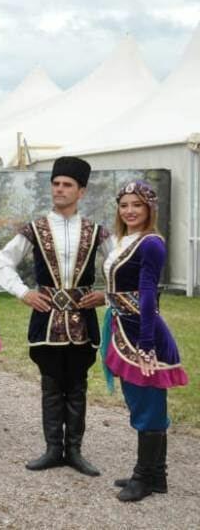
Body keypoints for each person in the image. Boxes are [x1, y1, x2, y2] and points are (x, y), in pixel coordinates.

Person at [0, 156, 115, 476]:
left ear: (81, 192)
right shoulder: (34, 229)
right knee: (50, 384)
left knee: (77, 384)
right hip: (45, 320)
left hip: (82, 322)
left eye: (67, 185)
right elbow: (3, 262)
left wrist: (107, 294)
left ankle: (74, 450)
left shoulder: (96, 232)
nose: (60, 189)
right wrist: (24, 292)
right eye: (56, 184)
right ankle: (52, 449)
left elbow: (122, 267)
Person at [99, 180, 188, 501]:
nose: (130, 210)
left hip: (142, 332)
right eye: (124, 205)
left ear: (150, 207)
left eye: (137, 204)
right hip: (125, 327)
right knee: (139, 401)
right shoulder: (126, 240)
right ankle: (157, 475)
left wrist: (147, 344)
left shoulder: (151, 243)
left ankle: (145, 477)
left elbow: (148, 294)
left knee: (148, 405)